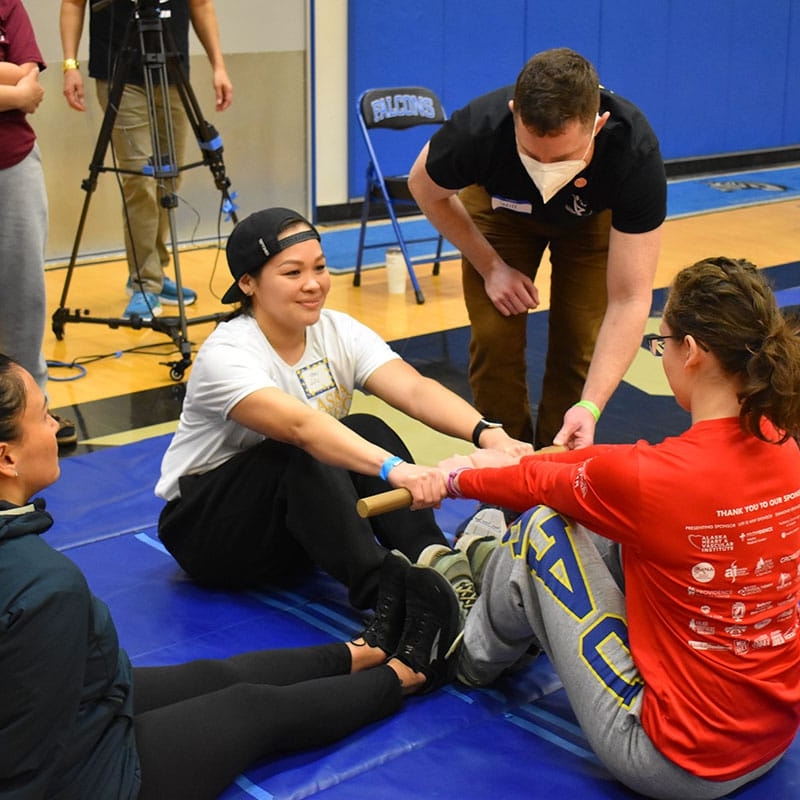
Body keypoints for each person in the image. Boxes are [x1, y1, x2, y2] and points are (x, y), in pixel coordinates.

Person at [0, 351, 463, 798]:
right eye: (44, 416)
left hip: (82, 699)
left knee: (217, 674)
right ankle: (409, 673)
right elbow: (32, 759)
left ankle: (369, 651)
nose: (57, 425)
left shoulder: (33, 575)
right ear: (7, 458)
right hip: (86, 774)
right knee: (252, 708)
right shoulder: (44, 587)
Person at [433, 257, 800, 799]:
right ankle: (499, 574)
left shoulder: (651, 480)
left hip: (675, 762)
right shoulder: (783, 445)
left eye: (663, 341)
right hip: (771, 742)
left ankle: (467, 656)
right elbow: (607, 469)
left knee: (541, 530)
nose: (664, 352)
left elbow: (546, 485)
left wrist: (455, 478)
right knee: (599, 522)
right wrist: (515, 464)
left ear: (692, 351)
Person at [155, 206, 532, 611]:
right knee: (303, 449)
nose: (313, 284)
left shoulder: (336, 330)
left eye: (319, 268)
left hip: (293, 530)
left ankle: (439, 562)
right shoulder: (226, 353)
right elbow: (302, 427)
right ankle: (393, 596)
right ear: (248, 283)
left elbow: (415, 390)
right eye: (292, 273)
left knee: (365, 425)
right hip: (209, 533)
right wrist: (395, 469)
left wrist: (490, 433)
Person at [408, 47, 667, 450]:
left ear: (598, 125)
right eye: (531, 154)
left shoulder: (633, 150)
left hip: (589, 219)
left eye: (563, 157)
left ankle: (557, 460)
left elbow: (631, 298)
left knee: (581, 339)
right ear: (514, 113)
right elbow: (422, 187)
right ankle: (507, 461)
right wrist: (490, 267)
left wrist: (592, 407)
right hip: (501, 212)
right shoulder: (479, 128)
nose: (545, 169)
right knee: (494, 339)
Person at [60, 0, 233, 320]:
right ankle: (144, 282)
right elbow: (72, 3)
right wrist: (69, 65)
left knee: (170, 178)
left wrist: (218, 65)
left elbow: (202, 5)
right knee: (139, 178)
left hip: (172, 68)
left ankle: (154, 269)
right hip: (118, 70)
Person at [0, 0, 77, 448]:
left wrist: (14, 83)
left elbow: (31, 75)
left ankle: (31, 414)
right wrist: (11, 89)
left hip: (13, 162)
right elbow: (21, 86)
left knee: (23, 299)